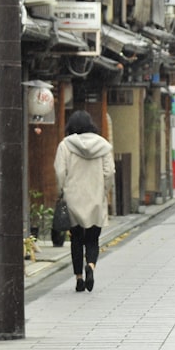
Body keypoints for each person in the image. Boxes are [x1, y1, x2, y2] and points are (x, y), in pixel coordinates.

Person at [54, 110, 115, 292]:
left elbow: (60, 171)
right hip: (95, 197)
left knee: (76, 240)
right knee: (92, 239)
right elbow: (109, 172)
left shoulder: (65, 145)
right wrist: (104, 190)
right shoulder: (103, 145)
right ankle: (91, 266)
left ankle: (79, 278)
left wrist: (63, 190)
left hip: (73, 198)